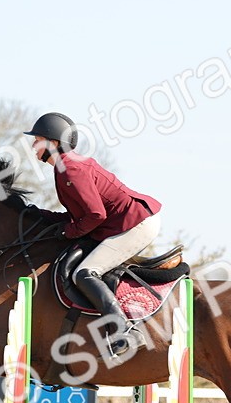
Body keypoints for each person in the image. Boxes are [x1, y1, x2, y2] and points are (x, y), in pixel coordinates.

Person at [25, 112, 162, 355]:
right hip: (124, 222)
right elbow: (80, 215)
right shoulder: (64, 167)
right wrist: (42, 217)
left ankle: (125, 331)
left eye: (37, 139)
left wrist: (69, 232)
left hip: (135, 223)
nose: (33, 145)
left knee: (84, 273)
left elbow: (96, 215)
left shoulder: (71, 169)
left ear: (53, 143)